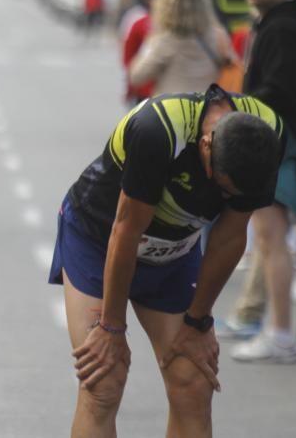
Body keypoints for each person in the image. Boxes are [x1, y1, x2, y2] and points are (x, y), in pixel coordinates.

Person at [49, 84, 283, 437]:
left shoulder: (267, 133)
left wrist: (199, 321)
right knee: (104, 380)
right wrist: (112, 328)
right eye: (222, 187)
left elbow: (230, 236)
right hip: (100, 239)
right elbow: (125, 233)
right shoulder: (158, 130)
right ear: (206, 145)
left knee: (192, 380)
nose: (222, 199)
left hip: (172, 250)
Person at [214, 0, 296, 364]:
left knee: (272, 241)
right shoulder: (278, 22)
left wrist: (237, 106)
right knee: (271, 241)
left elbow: (281, 91)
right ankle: (276, 331)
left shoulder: (284, 27)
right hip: (279, 138)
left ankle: (281, 335)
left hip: (279, 141)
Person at [129, 0, 236, 96]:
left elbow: (136, 77)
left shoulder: (164, 41)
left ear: (165, 4)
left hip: (173, 111)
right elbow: (232, 63)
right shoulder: (217, 35)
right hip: (209, 110)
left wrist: (150, 40)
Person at [120, 0, 166, 105]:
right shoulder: (181, 20)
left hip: (144, 96)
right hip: (173, 97)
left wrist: (129, 91)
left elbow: (128, 61)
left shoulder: (135, 20)